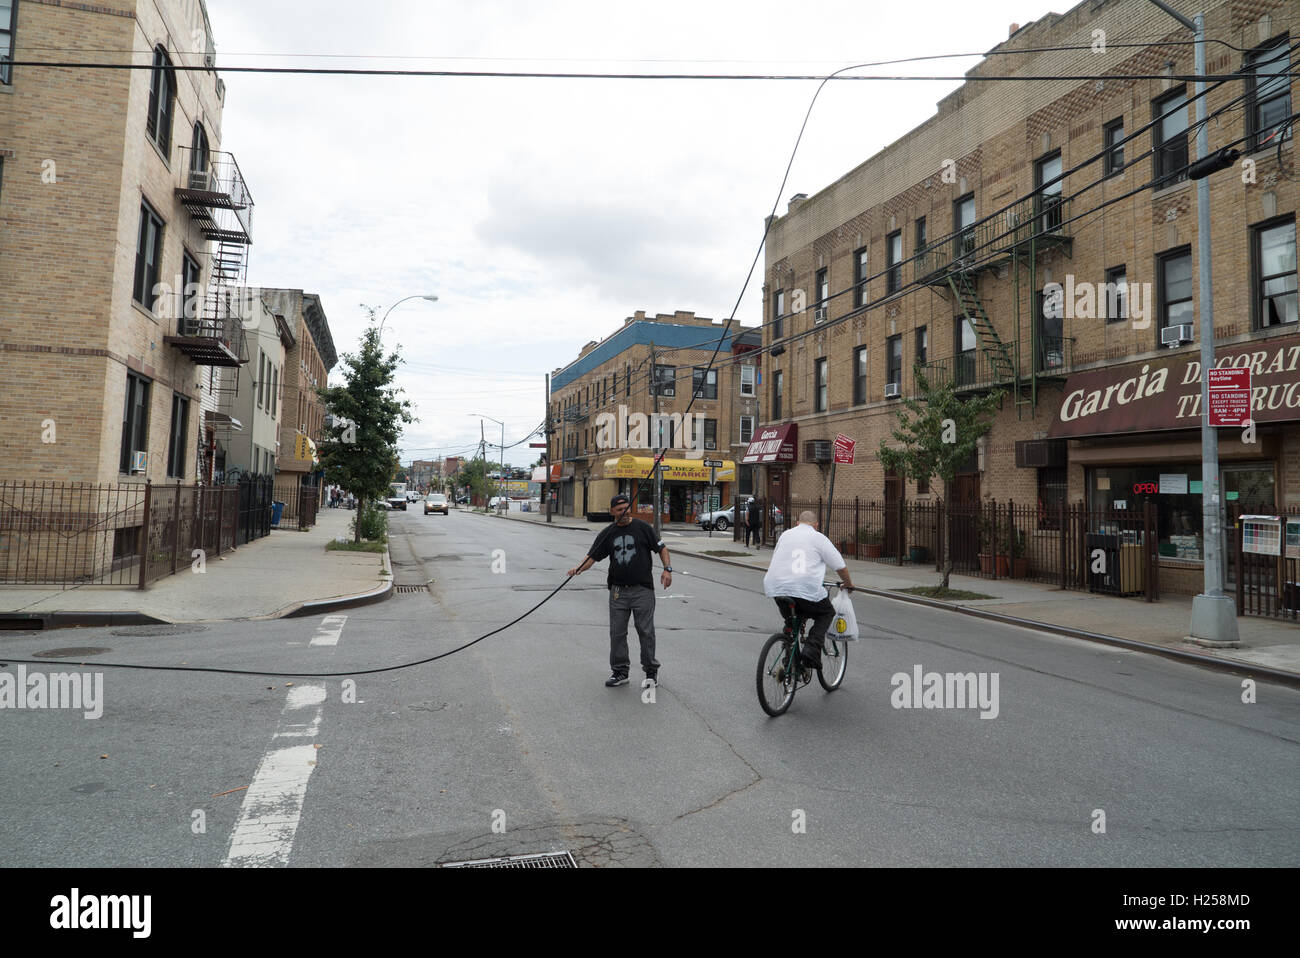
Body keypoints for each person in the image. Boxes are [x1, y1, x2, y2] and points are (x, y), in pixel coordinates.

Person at [567, 493, 672, 688]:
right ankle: (620, 672)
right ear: (612, 512)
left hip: (642, 589)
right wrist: (578, 568)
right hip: (618, 591)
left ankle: (651, 672)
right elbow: (593, 556)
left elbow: (662, 549)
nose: (623, 512)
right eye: (619, 509)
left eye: (626, 508)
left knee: (645, 631)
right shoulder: (608, 533)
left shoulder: (643, 528)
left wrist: (667, 569)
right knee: (617, 633)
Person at [763, 510, 855, 672]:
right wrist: (848, 584)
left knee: (791, 624)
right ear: (816, 525)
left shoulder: (785, 535)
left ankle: (789, 663)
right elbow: (840, 566)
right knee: (826, 613)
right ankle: (811, 651)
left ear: (797, 523)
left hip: (777, 587)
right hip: (805, 588)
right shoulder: (819, 538)